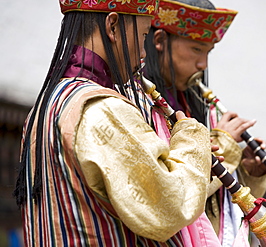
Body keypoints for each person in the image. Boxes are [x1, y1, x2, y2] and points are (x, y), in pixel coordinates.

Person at [13, 0, 219, 246]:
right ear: (112, 26)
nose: (143, 54)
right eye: (143, 36)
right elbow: (169, 207)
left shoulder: (49, 103)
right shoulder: (103, 108)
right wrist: (191, 138)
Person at [143, 0, 266, 246]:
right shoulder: (141, 104)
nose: (203, 64)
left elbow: (218, 206)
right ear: (159, 40)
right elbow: (171, 196)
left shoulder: (199, 107)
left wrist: (251, 175)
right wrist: (223, 144)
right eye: (196, 50)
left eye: (208, 52)